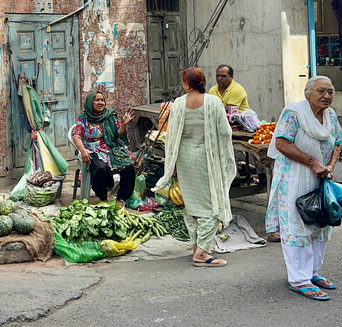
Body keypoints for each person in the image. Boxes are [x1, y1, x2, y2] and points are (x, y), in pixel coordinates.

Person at [265, 76, 342, 301]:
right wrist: (312, 162)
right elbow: (282, 143)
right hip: (294, 178)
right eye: (321, 91)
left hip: (321, 178)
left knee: (320, 223)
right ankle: (299, 279)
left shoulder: (330, 115)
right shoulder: (294, 113)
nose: (326, 96)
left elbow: (338, 142)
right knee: (296, 226)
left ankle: (312, 272)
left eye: (330, 92)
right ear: (307, 93)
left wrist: (331, 165)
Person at [155, 67, 236, 268]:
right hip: (206, 160)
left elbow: (172, 136)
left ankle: (196, 247)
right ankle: (202, 253)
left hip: (185, 160)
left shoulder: (178, 104)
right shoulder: (213, 102)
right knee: (210, 206)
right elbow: (225, 132)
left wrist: (172, 163)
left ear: (186, 84)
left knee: (191, 205)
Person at [72, 89, 136, 203]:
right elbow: (76, 136)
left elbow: (120, 133)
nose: (101, 102)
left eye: (102, 100)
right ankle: (103, 197)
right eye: (97, 100)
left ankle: (121, 199)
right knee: (100, 168)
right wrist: (82, 150)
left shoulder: (110, 115)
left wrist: (124, 125)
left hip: (110, 148)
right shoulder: (84, 118)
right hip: (90, 150)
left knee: (129, 167)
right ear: (90, 103)